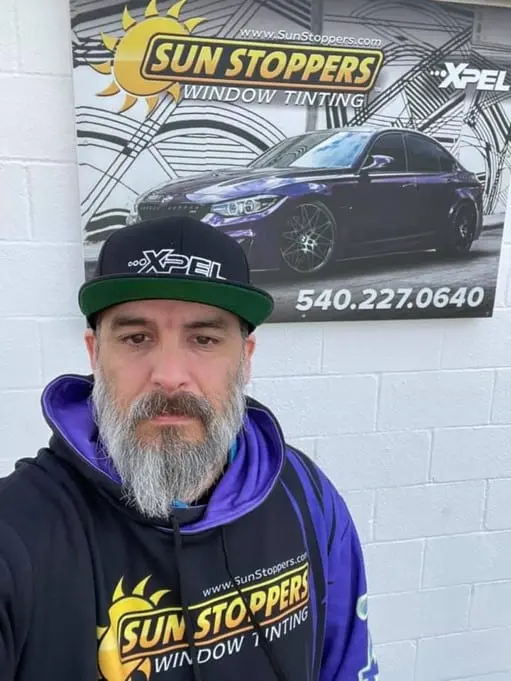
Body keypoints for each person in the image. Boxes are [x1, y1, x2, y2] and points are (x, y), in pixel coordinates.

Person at [0, 216, 379, 681]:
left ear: (245, 359)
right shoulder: (16, 531)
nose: (169, 375)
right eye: (137, 338)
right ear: (95, 354)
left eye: (204, 339)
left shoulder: (307, 497)